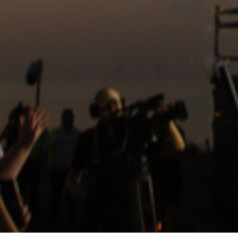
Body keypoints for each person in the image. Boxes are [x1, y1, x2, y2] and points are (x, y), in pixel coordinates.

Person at [71, 88, 186, 232]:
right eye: (107, 105)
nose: (113, 109)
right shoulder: (90, 138)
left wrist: (166, 120)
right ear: (96, 110)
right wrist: (83, 193)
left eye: (116, 104)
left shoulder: (135, 130)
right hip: (102, 212)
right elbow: (72, 177)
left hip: (136, 209)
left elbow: (177, 147)